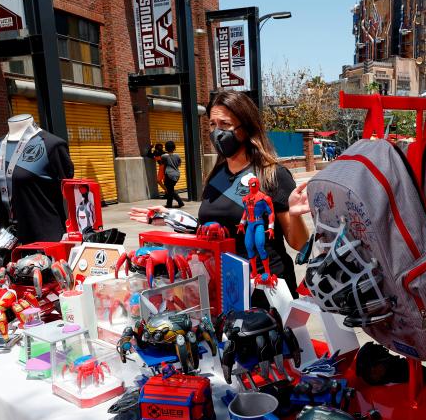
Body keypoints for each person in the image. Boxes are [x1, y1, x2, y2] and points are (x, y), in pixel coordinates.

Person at [131, 91, 309, 305]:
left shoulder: (272, 175)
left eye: (225, 124)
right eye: (213, 125)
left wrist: (297, 215)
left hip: (266, 290)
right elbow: (213, 229)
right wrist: (172, 217)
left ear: (246, 127)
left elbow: (299, 243)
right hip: (224, 286)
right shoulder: (216, 175)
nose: (217, 132)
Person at [157, 140, 184, 209]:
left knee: (170, 190)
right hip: (177, 174)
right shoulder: (177, 155)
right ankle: (175, 203)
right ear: (174, 147)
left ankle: (177, 203)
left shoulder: (163, 156)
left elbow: (161, 164)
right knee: (170, 190)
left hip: (169, 175)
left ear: (166, 148)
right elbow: (179, 164)